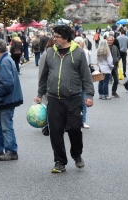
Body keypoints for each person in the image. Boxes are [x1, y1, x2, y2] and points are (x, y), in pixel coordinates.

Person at [34, 25, 94, 173]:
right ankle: (60, 161)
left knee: (74, 129)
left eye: (57, 37)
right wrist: (40, 94)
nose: (54, 39)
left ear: (65, 38)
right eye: (54, 36)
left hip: (73, 98)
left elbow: (86, 77)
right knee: (55, 132)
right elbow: (44, 77)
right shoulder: (50, 53)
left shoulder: (78, 53)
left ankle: (77, 154)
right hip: (54, 99)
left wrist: (89, 95)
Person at [0, 39, 23, 161]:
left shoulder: (5, 61)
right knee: (0, 126)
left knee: (6, 126)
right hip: (7, 98)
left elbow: (7, 83)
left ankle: (11, 151)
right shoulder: (6, 60)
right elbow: (5, 81)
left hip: (7, 99)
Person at [38, 38, 55, 136]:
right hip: (48, 83)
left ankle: (45, 125)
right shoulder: (49, 54)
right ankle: (46, 125)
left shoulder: (45, 53)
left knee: (47, 104)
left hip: (45, 83)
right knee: (48, 105)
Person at [74, 36, 91, 128]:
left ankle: (83, 121)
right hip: (74, 80)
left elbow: (89, 65)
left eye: (78, 43)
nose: (77, 45)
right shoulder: (71, 53)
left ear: (82, 44)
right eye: (75, 43)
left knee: (84, 100)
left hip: (83, 80)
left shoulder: (86, 53)